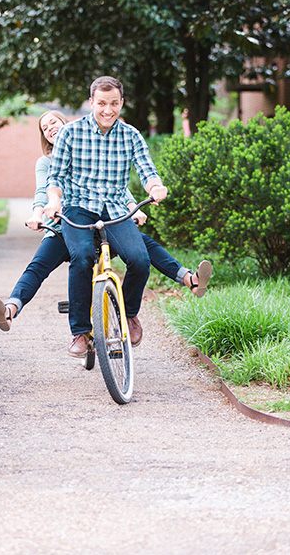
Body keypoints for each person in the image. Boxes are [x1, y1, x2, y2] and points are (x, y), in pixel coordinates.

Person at [0, 110, 211, 349]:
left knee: (142, 245)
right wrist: (36, 214)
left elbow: (111, 186)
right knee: (39, 265)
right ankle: (11, 309)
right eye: (45, 128)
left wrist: (132, 208)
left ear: (66, 123)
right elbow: (43, 191)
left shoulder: (86, 148)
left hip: (101, 222)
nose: (50, 128)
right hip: (64, 227)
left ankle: (189, 279)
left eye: (53, 122)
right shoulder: (46, 162)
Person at [41, 76, 187, 358]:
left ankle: (129, 314)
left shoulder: (131, 135)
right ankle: (80, 332)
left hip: (117, 208)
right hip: (78, 206)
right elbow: (55, 176)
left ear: (121, 103)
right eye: (102, 103)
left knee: (140, 259)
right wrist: (54, 201)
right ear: (91, 103)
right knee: (82, 257)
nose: (108, 110)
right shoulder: (71, 133)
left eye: (114, 103)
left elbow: (146, 170)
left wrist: (156, 187)